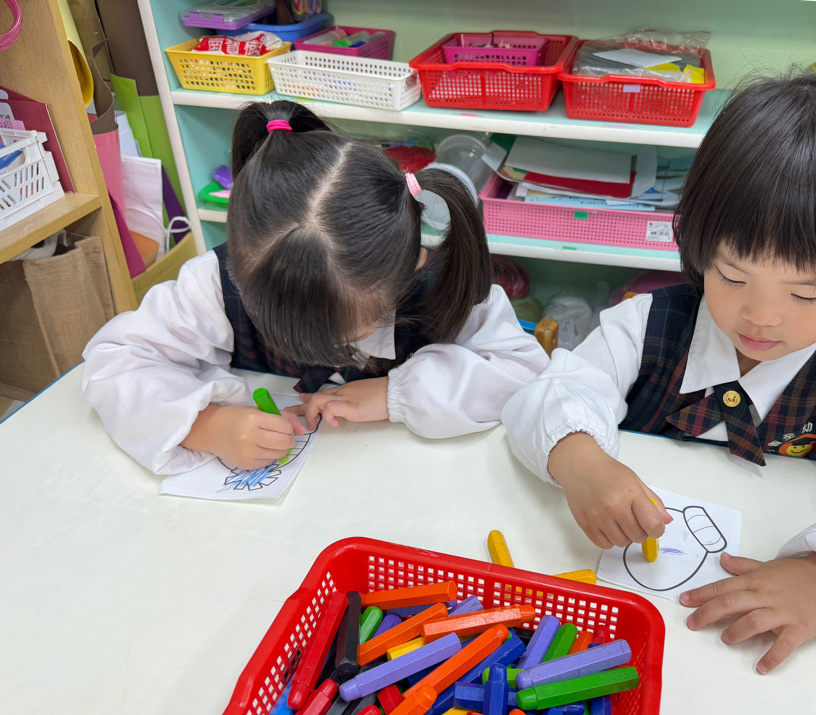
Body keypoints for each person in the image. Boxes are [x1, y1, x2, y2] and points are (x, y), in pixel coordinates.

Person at [502, 73, 816, 672]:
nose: (762, 316)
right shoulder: (646, 325)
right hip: (608, 614)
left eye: (808, 292)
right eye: (733, 277)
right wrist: (580, 460)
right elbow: (557, 389)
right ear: (699, 245)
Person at [83, 101, 549, 474]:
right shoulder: (219, 280)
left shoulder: (441, 286)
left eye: (352, 332)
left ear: (405, 271)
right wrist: (206, 425)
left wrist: (395, 394)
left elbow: (524, 372)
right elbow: (116, 360)